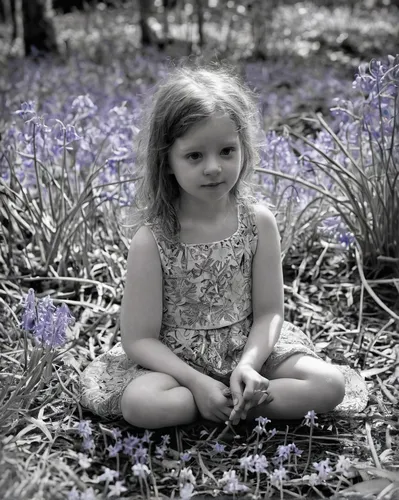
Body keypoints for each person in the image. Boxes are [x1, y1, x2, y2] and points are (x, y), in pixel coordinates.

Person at [79, 64, 368, 429]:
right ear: (166, 160)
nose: (214, 167)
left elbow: (268, 313)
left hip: (249, 348)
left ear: (243, 148)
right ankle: (215, 400)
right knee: (142, 404)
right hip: (176, 362)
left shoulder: (258, 222)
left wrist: (248, 364)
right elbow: (138, 339)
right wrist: (196, 381)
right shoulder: (152, 240)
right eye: (195, 156)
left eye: (227, 151)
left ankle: (236, 401)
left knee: (329, 385)